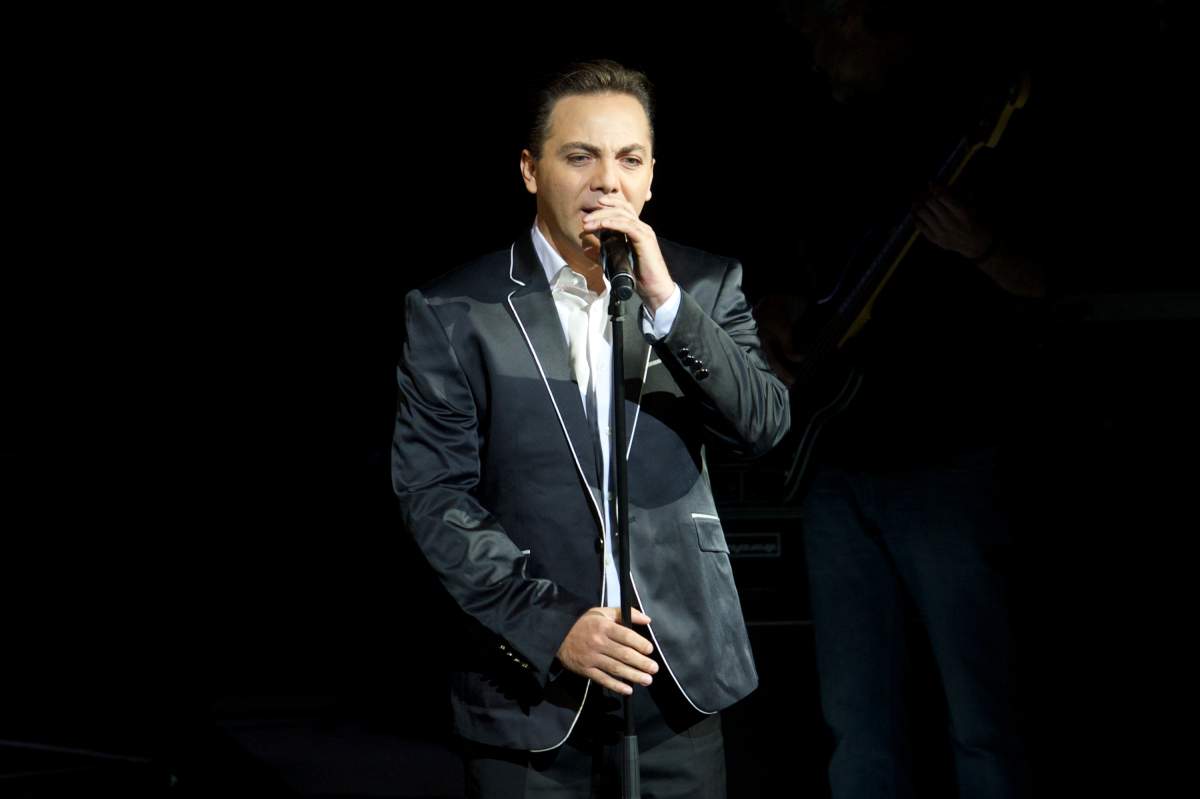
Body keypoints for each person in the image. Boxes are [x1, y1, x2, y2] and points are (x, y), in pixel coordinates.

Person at [391, 59, 789, 798]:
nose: (608, 181)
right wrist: (553, 626)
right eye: (581, 156)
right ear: (530, 170)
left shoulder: (702, 286)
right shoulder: (456, 311)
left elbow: (762, 427)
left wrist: (666, 303)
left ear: (651, 177)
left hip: (678, 681)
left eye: (629, 160)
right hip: (529, 692)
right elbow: (434, 496)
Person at [758, 2, 1045, 796]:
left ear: (868, 23)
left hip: (946, 458)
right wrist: (778, 307)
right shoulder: (825, 136)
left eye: (828, 32)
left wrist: (981, 246)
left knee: (980, 715)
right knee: (857, 724)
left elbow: (1051, 280)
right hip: (838, 465)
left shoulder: (960, 133)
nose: (818, 55)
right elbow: (800, 274)